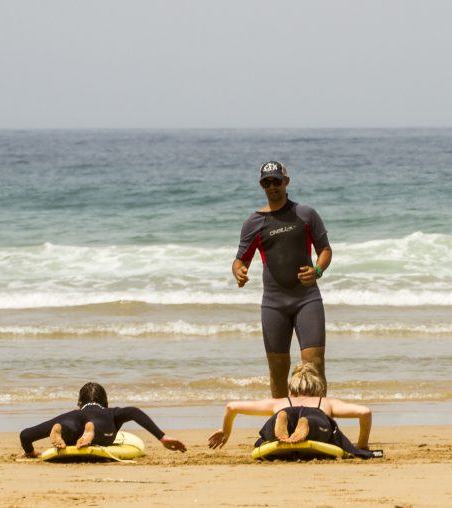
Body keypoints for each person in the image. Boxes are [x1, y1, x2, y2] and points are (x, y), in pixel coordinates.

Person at [233, 160, 332, 398]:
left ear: (286, 182)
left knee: (314, 366)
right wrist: (238, 271)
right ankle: (280, 420)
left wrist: (317, 271)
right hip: (273, 304)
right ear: (262, 186)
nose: (272, 187)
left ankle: (321, 420)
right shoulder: (253, 222)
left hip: (307, 299)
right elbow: (240, 260)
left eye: (276, 181)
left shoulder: (305, 214)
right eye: (266, 183)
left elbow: (325, 250)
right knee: (278, 370)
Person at [207, 362, 377, 459]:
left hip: (285, 410)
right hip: (316, 415)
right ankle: (307, 424)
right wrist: (362, 444)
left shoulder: (279, 402)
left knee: (277, 420)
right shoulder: (325, 402)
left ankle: (283, 419)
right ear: (319, 389)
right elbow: (365, 412)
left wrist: (226, 431)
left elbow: (232, 407)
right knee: (316, 422)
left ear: (291, 389)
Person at [19, 382, 187, 457]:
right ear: (105, 403)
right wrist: (162, 437)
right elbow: (134, 412)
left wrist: (30, 452)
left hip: (69, 421)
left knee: (68, 429)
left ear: (79, 403)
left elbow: (25, 435)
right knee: (101, 432)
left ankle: (61, 431)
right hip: (101, 426)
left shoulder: (73, 414)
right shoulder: (111, 413)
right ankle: (91, 433)